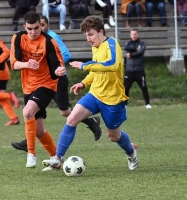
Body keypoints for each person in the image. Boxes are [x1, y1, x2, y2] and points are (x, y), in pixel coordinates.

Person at [42, 16, 139, 172]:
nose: (88, 39)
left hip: (113, 100)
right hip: (95, 94)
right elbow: (97, 69)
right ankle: (57, 158)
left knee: (113, 136)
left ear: (101, 31)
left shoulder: (112, 44)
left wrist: (84, 65)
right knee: (72, 118)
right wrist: (83, 83)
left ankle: (131, 151)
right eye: (86, 35)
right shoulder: (95, 46)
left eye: (91, 34)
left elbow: (112, 65)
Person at [11, 15, 102, 153]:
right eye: (32, 27)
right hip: (40, 82)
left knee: (64, 111)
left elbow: (65, 54)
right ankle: (31, 141)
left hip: (55, 79)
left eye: (40, 26)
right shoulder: (30, 40)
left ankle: (91, 122)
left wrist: (51, 65)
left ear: (46, 26)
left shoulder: (52, 38)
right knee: (47, 112)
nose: (36, 30)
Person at [10, 11, 67, 168]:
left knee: (27, 112)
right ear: (25, 27)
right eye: (30, 29)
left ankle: (31, 154)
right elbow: (14, 63)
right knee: (40, 130)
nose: (33, 32)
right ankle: (58, 161)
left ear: (41, 26)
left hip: (47, 84)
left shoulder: (49, 41)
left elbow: (56, 66)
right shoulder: (18, 38)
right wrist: (27, 64)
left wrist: (59, 71)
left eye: (36, 28)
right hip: (28, 87)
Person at [123, 28, 152, 109]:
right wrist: (136, 49)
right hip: (129, 70)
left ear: (138, 34)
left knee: (143, 87)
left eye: (135, 34)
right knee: (126, 88)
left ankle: (147, 103)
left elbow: (141, 52)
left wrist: (131, 54)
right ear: (130, 35)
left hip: (139, 70)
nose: (134, 36)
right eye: (132, 34)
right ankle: (124, 104)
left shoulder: (142, 43)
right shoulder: (127, 43)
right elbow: (126, 48)